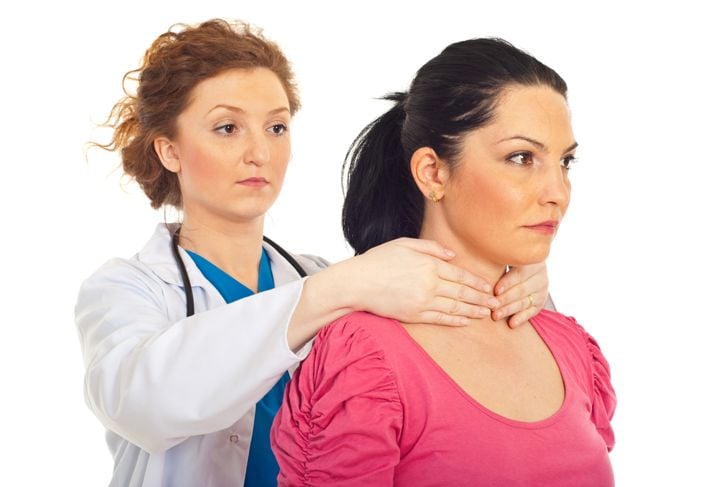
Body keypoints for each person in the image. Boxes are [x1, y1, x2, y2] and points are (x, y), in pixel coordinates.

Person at [75, 20, 551, 487]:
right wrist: (334, 290)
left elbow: (460, 342)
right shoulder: (125, 289)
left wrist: (519, 282)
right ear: (169, 151)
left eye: (276, 127)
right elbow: (144, 404)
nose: (260, 152)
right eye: (227, 128)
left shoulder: (321, 279)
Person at [271, 38, 617, 486]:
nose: (558, 192)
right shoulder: (363, 357)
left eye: (565, 161)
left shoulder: (569, 345)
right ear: (433, 173)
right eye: (521, 158)